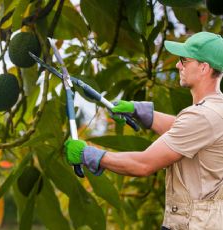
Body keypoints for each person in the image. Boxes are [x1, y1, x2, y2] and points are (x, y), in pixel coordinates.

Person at [64, 31, 223, 229]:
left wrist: (89, 154)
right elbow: (185, 131)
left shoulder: (202, 117)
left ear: (204, 68)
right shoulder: (215, 110)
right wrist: (141, 112)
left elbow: (143, 164)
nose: (177, 65)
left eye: (184, 60)